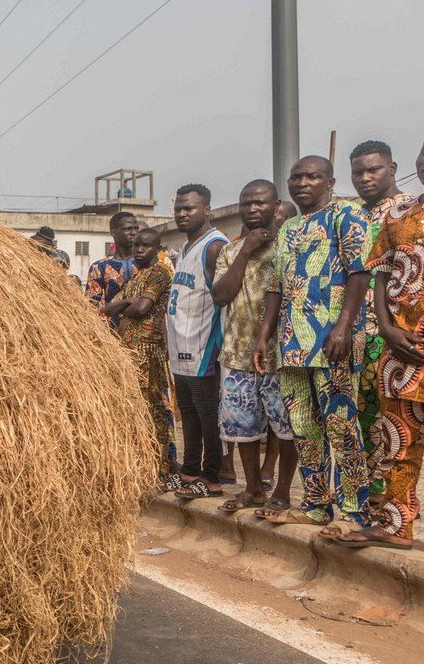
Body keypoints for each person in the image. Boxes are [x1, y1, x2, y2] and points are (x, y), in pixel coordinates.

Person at [256, 156, 371, 537]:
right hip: (292, 347)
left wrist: (343, 326)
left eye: (312, 176)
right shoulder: (287, 226)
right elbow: (275, 285)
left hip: (334, 342)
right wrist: (264, 337)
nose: (303, 182)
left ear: (330, 181)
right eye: (296, 177)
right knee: (304, 427)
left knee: (341, 427)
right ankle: (317, 505)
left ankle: (355, 513)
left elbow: (359, 272)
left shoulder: (346, 214)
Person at [337, 133, 424, 551]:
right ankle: (395, 528)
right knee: (398, 439)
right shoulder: (401, 215)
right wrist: (389, 328)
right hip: (400, 347)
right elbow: (380, 271)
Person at [211, 180, 297, 515]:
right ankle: (252, 490)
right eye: (246, 203)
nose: (252, 209)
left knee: (287, 428)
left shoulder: (291, 244)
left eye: (259, 203)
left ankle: (283, 492)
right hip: (236, 354)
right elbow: (220, 296)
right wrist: (246, 251)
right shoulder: (231, 251)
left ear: (276, 205)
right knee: (242, 428)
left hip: (282, 355)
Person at [348, 140, 417, 507]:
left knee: (394, 424)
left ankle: (389, 501)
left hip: (393, 333)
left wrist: (391, 325)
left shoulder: (407, 211)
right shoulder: (352, 216)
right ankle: (369, 495)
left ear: (392, 168)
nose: (365, 178)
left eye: (373, 170)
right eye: (358, 172)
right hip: (354, 334)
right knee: (360, 417)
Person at [167, 184, 228, 500]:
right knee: (188, 414)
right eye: (178, 208)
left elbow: (225, 297)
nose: (181, 214)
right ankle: (189, 471)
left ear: (207, 210)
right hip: (180, 348)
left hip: (204, 346)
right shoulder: (185, 246)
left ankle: (212, 477)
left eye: (189, 208)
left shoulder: (215, 246)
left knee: (208, 416)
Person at [105, 227, 175, 483]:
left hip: (148, 350)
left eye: (146, 246)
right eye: (136, 245)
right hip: (131, 351)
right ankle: (144, 465)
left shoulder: (159, 273)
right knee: (137, 409)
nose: (139, 250)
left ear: (158, 248)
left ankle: (161, 466)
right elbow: (109, 308)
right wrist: (126, 303)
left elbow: (142, 308)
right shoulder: (137, 276)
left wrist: (126, 305)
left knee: (153, 409)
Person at [86, 212, 138, 327]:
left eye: (136, 229)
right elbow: (91, 305)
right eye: (128, 229)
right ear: (113, 233)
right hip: (113, 333)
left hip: (145, 333)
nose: (133, 232)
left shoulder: (146, 263)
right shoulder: (99, 267)